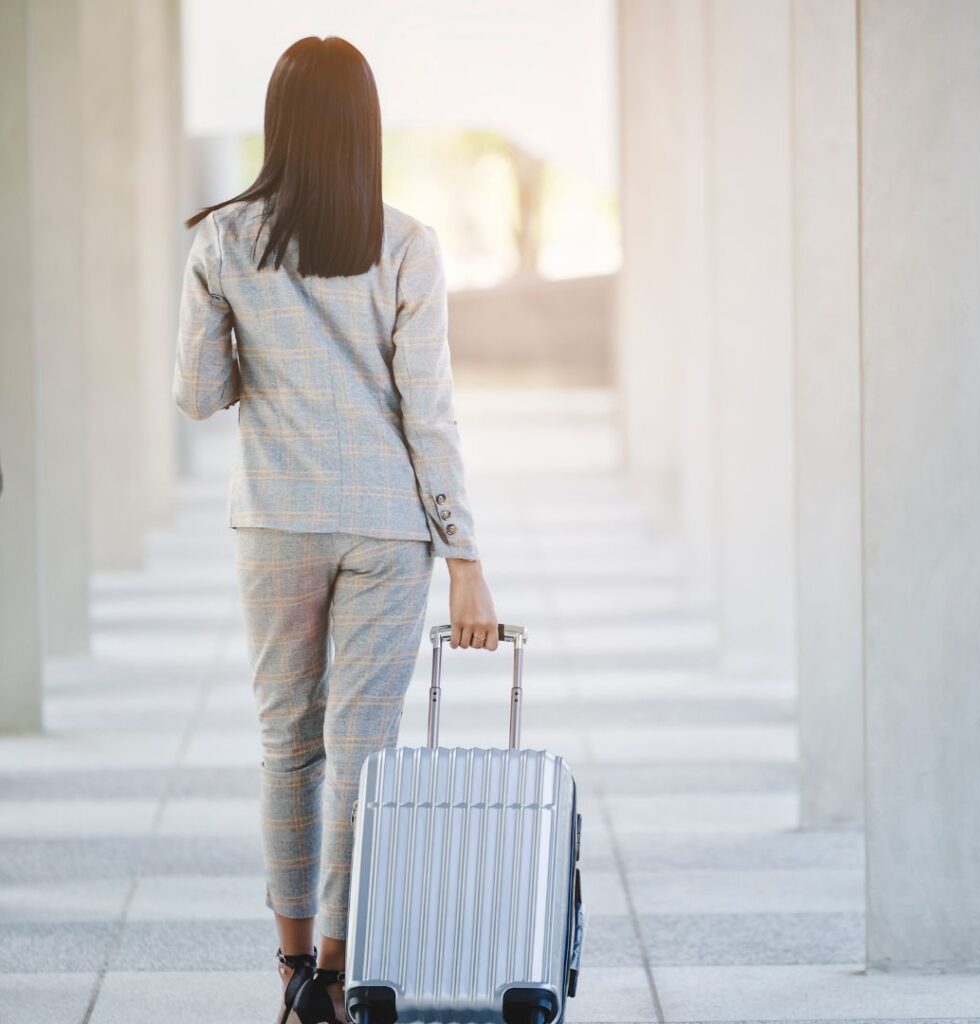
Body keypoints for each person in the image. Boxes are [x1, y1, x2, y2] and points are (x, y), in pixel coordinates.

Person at [173, 35, 499, 1024]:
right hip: (387, 531)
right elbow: (428, 414)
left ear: (279, 125)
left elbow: (198, 396)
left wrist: (246, 334)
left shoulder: (222, 241)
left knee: (286, 747)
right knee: (363, 751)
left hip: (275, 520)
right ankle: (344, 971)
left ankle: (290, 978)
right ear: (365, 128)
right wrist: (465, 560)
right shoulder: (406, 244)